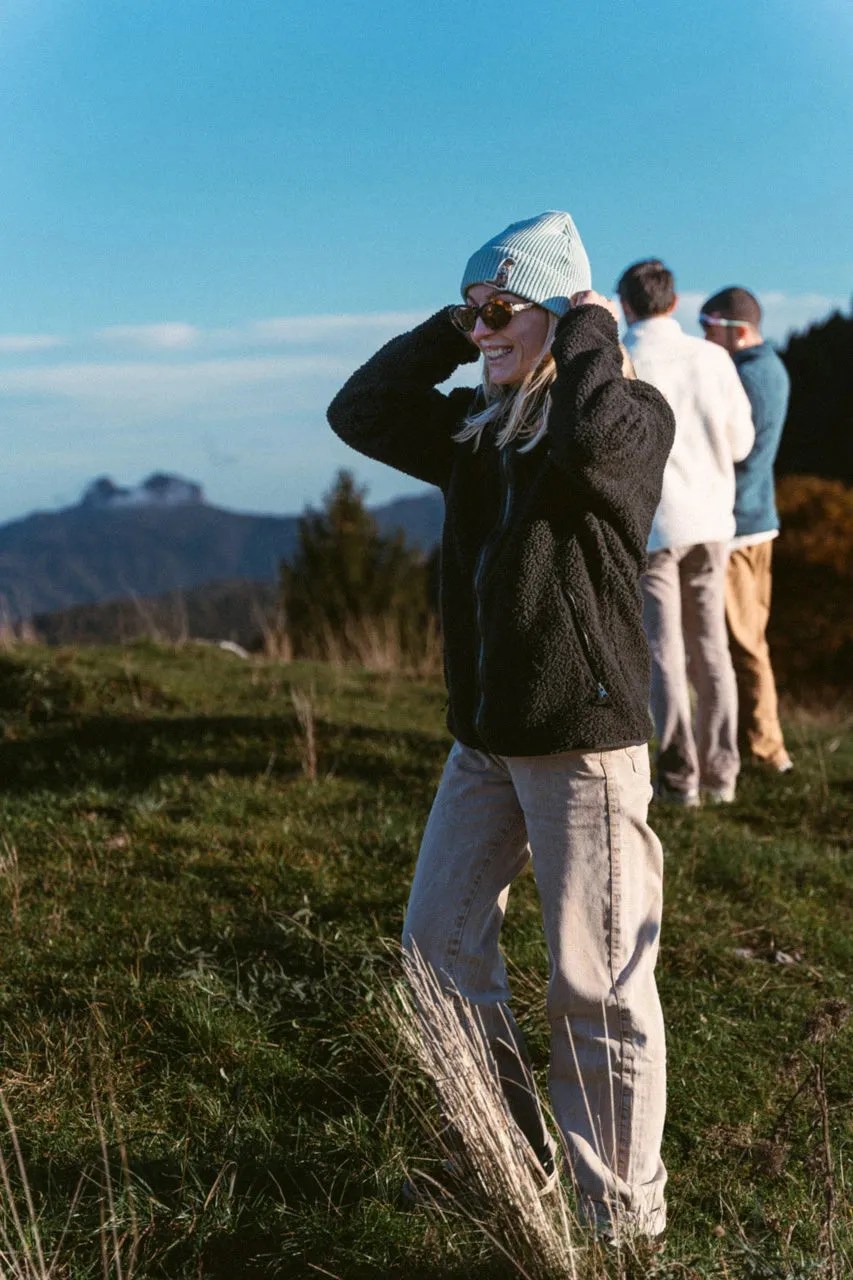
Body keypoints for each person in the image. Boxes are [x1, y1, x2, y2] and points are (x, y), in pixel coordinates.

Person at [328, 212, 675, 1237]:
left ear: (561, 315)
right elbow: (363, 409)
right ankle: (498, 1145)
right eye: (472, 312)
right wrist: (452, 323)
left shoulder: (621, 416)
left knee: (598, 985)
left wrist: (585, 329)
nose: (482, 331)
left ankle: (621, 1217)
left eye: (498, 311)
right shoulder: (475, 437)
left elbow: (597, 436)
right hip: (484, 741)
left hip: (582, 740)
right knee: (436, 948)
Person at [619, 260, 755, 806]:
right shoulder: (713, 358)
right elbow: (742, 443)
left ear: (626, 304)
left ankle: (679, 779)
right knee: (711, 648)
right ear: (674, 303)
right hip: (712, 522)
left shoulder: (624, 360)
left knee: (664, 652)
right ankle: (722, 774)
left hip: (655, 525)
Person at [699, 287, 793, 773]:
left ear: (735, 329)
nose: (703, 337)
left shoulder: (748, 375)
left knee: (742, 643)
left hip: (739, 527)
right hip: (758, 523)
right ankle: (754, 742)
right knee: (746, 639)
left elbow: (739, 452)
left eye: (708, 326)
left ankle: (766, 751)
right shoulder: (769, 369)